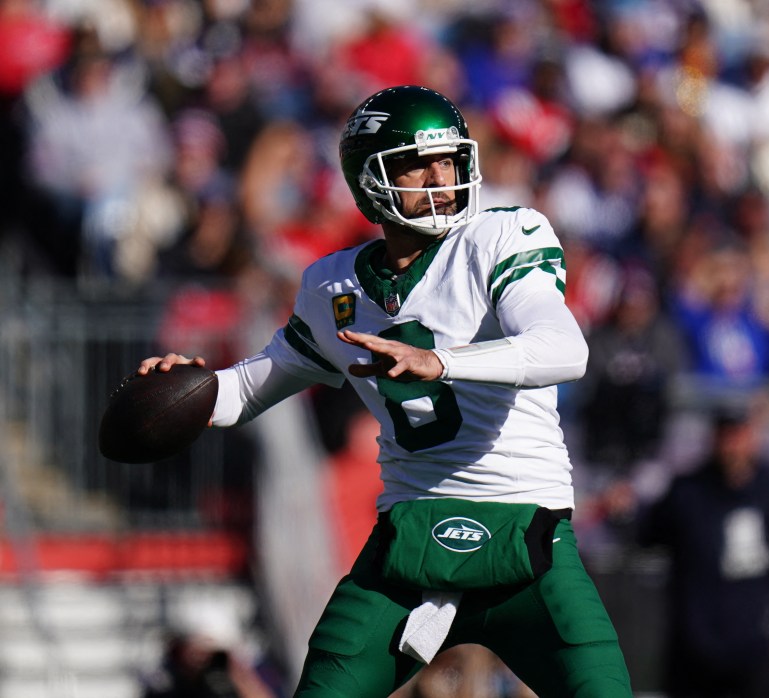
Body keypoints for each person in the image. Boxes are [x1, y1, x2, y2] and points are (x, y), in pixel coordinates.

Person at [137, 84, 632, 698]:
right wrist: (190, 385)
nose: (441, 177)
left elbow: (565, 349)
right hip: (408, 547)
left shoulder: (501, 237)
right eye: (417, 163)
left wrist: (441, 362)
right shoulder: (333, 286)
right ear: (370, 179)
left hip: (528, 543)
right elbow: (248, 390)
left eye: (449, 160)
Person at [637, 404, 769, 698]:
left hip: (757, 643)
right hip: (696, 646)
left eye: (739, 435)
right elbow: (647, 535)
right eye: (725, 436)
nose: (732, 445)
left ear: (752, 437)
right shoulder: (687, 491)